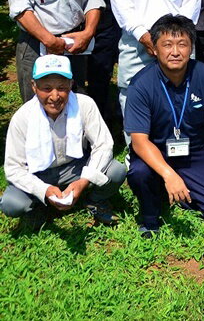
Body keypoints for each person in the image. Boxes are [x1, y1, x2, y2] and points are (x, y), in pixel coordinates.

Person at [125, 15, 204, 237]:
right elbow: (139, 142)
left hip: (195, 153)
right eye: (167, 45)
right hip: (157, 153)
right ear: (154, 49)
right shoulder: (141, 85)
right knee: (139, 172)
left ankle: (181, 191)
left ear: (191, 48)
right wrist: (169, 174)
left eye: (182, 44)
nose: (175, 51)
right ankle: (150, 216)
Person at [0, 55, 126, 226]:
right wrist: (43, 189)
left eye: (61, 87)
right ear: (34, 87)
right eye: (46, 88)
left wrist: (84, 181)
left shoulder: (84, 105)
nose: (54, 96)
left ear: (71, 84)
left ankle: (94, 199)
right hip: (39, 172)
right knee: (12, 204)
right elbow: (14, 168)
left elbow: (103, 145)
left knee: (116, 171)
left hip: (75, 166)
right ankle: (40, 205)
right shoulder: (22, 118)